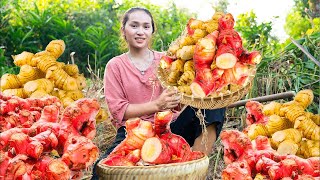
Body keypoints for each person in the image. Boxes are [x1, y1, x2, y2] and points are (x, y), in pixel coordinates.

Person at [92, 7, 226, 179]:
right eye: (134, 26)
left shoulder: (166, 61)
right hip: (133, 134)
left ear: (152, 31)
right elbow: (119, 111)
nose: (140, 32)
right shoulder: (115, 66)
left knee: (212, 105)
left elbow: (181, 98)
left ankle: (195, 167)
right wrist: (157, 105)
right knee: (100, 171)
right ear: (124, 30)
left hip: (172, 129)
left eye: (146, 27)